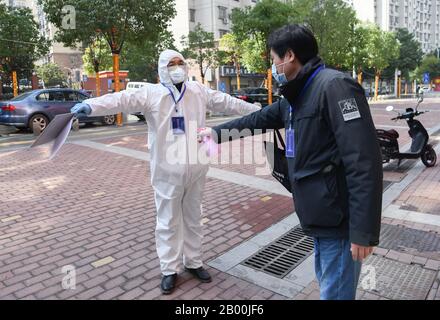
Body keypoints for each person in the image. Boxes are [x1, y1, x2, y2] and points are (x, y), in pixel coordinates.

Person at [200, 24, 383, 300]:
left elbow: (364, 161)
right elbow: (257, 120)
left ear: (289, 56)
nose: (273, 67)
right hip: (321, 216)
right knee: (329, 287)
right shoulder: (296, 97)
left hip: (340, 221)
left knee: (336, 294)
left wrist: (363, 231)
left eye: (274, 60)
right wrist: (215, 133)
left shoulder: (334, 87)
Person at [70, 49, 260, 295]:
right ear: (162, 68)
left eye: (181, 62)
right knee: (168, 221)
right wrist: (90, 105)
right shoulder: (151, 94)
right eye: (172, 63)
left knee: (193, 218)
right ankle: (169, 269)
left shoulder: (198, 91)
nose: (177, 67)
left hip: (197, 167)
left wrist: (257, 111)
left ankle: (193, 262)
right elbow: (120, 100)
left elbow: (228, 103)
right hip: (166, 171)